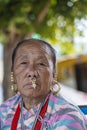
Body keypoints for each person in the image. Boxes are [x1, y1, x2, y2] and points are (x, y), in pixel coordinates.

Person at [0, 38, 87, 130]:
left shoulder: (67, 116)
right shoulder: (4, 111)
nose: (32, 72)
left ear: (53, 76)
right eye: (23, 63)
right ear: (13, 74)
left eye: (41, 64)